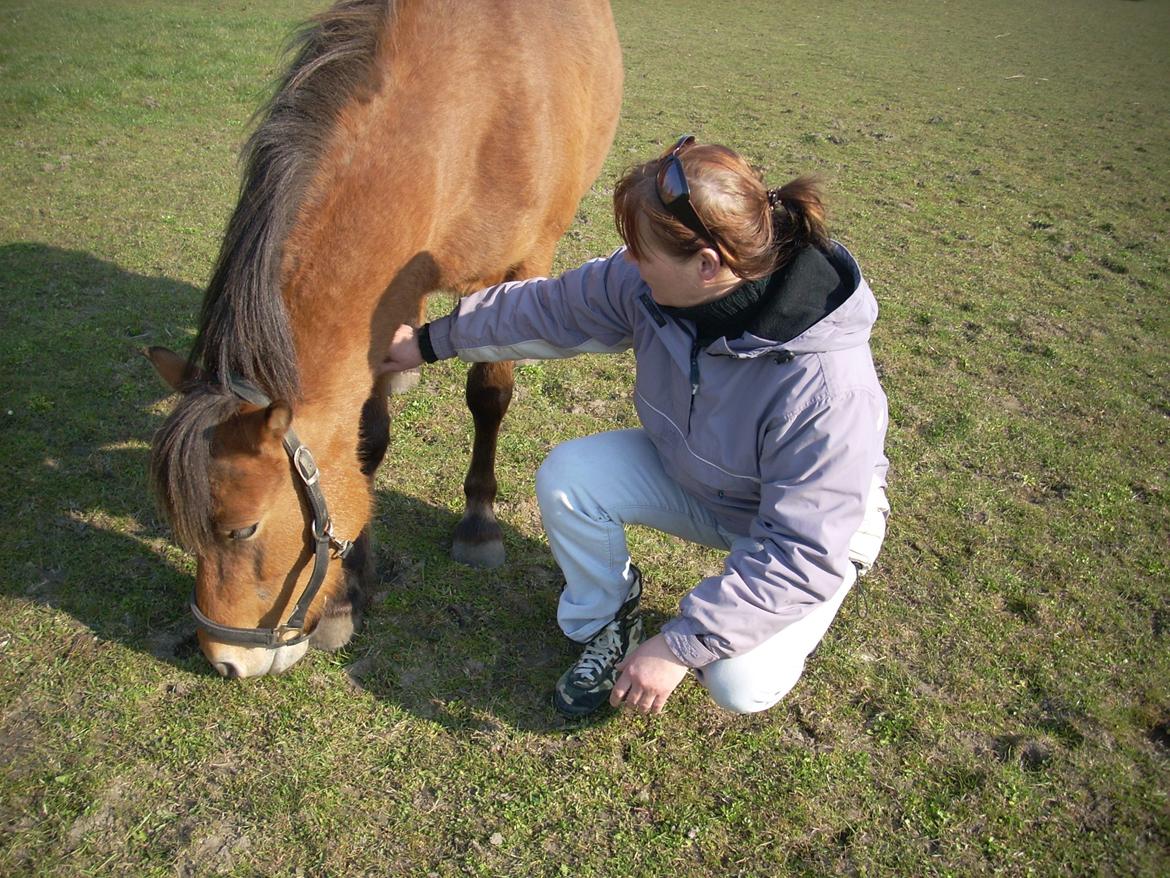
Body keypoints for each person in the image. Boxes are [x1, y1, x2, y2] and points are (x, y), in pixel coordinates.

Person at [380, 135, 890, 718]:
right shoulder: (655, 289)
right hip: (704, 481)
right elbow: (551, 307)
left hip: (816, 533)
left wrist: (678, 646)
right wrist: (427, 342)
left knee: (737, 681)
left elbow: (800, 549)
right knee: (571, 476)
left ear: (707, 265)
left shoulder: (826, 389)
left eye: (641, 253)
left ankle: (745, 628)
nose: (627, 264)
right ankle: (610, 617)